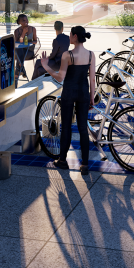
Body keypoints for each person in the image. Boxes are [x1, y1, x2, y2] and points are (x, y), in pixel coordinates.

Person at [39, 26, 97, 175]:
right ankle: (84, 164)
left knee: (66, 127)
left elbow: (60, 77)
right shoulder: (91, 55)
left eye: (70, 35)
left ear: (75, 36)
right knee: (83, 128)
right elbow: (92, 79)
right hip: (84, 93)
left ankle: (62, 160)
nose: (69, 37)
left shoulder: (67, 55)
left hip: (69, 93)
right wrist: (92, 97)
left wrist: (46, 67)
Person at [13, 13, 38, 78]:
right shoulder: (16, 31)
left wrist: (29, 43)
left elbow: (35, 41)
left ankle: (18, 72)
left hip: (29, 51)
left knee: (19, 55)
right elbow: (17, 43)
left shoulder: (33, 29)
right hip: (20, 51)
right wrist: (23, 33)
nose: (25, 22)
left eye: (26, 20)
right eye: (23, 20)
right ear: (19, 22)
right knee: (19, 49)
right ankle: (21, 69)